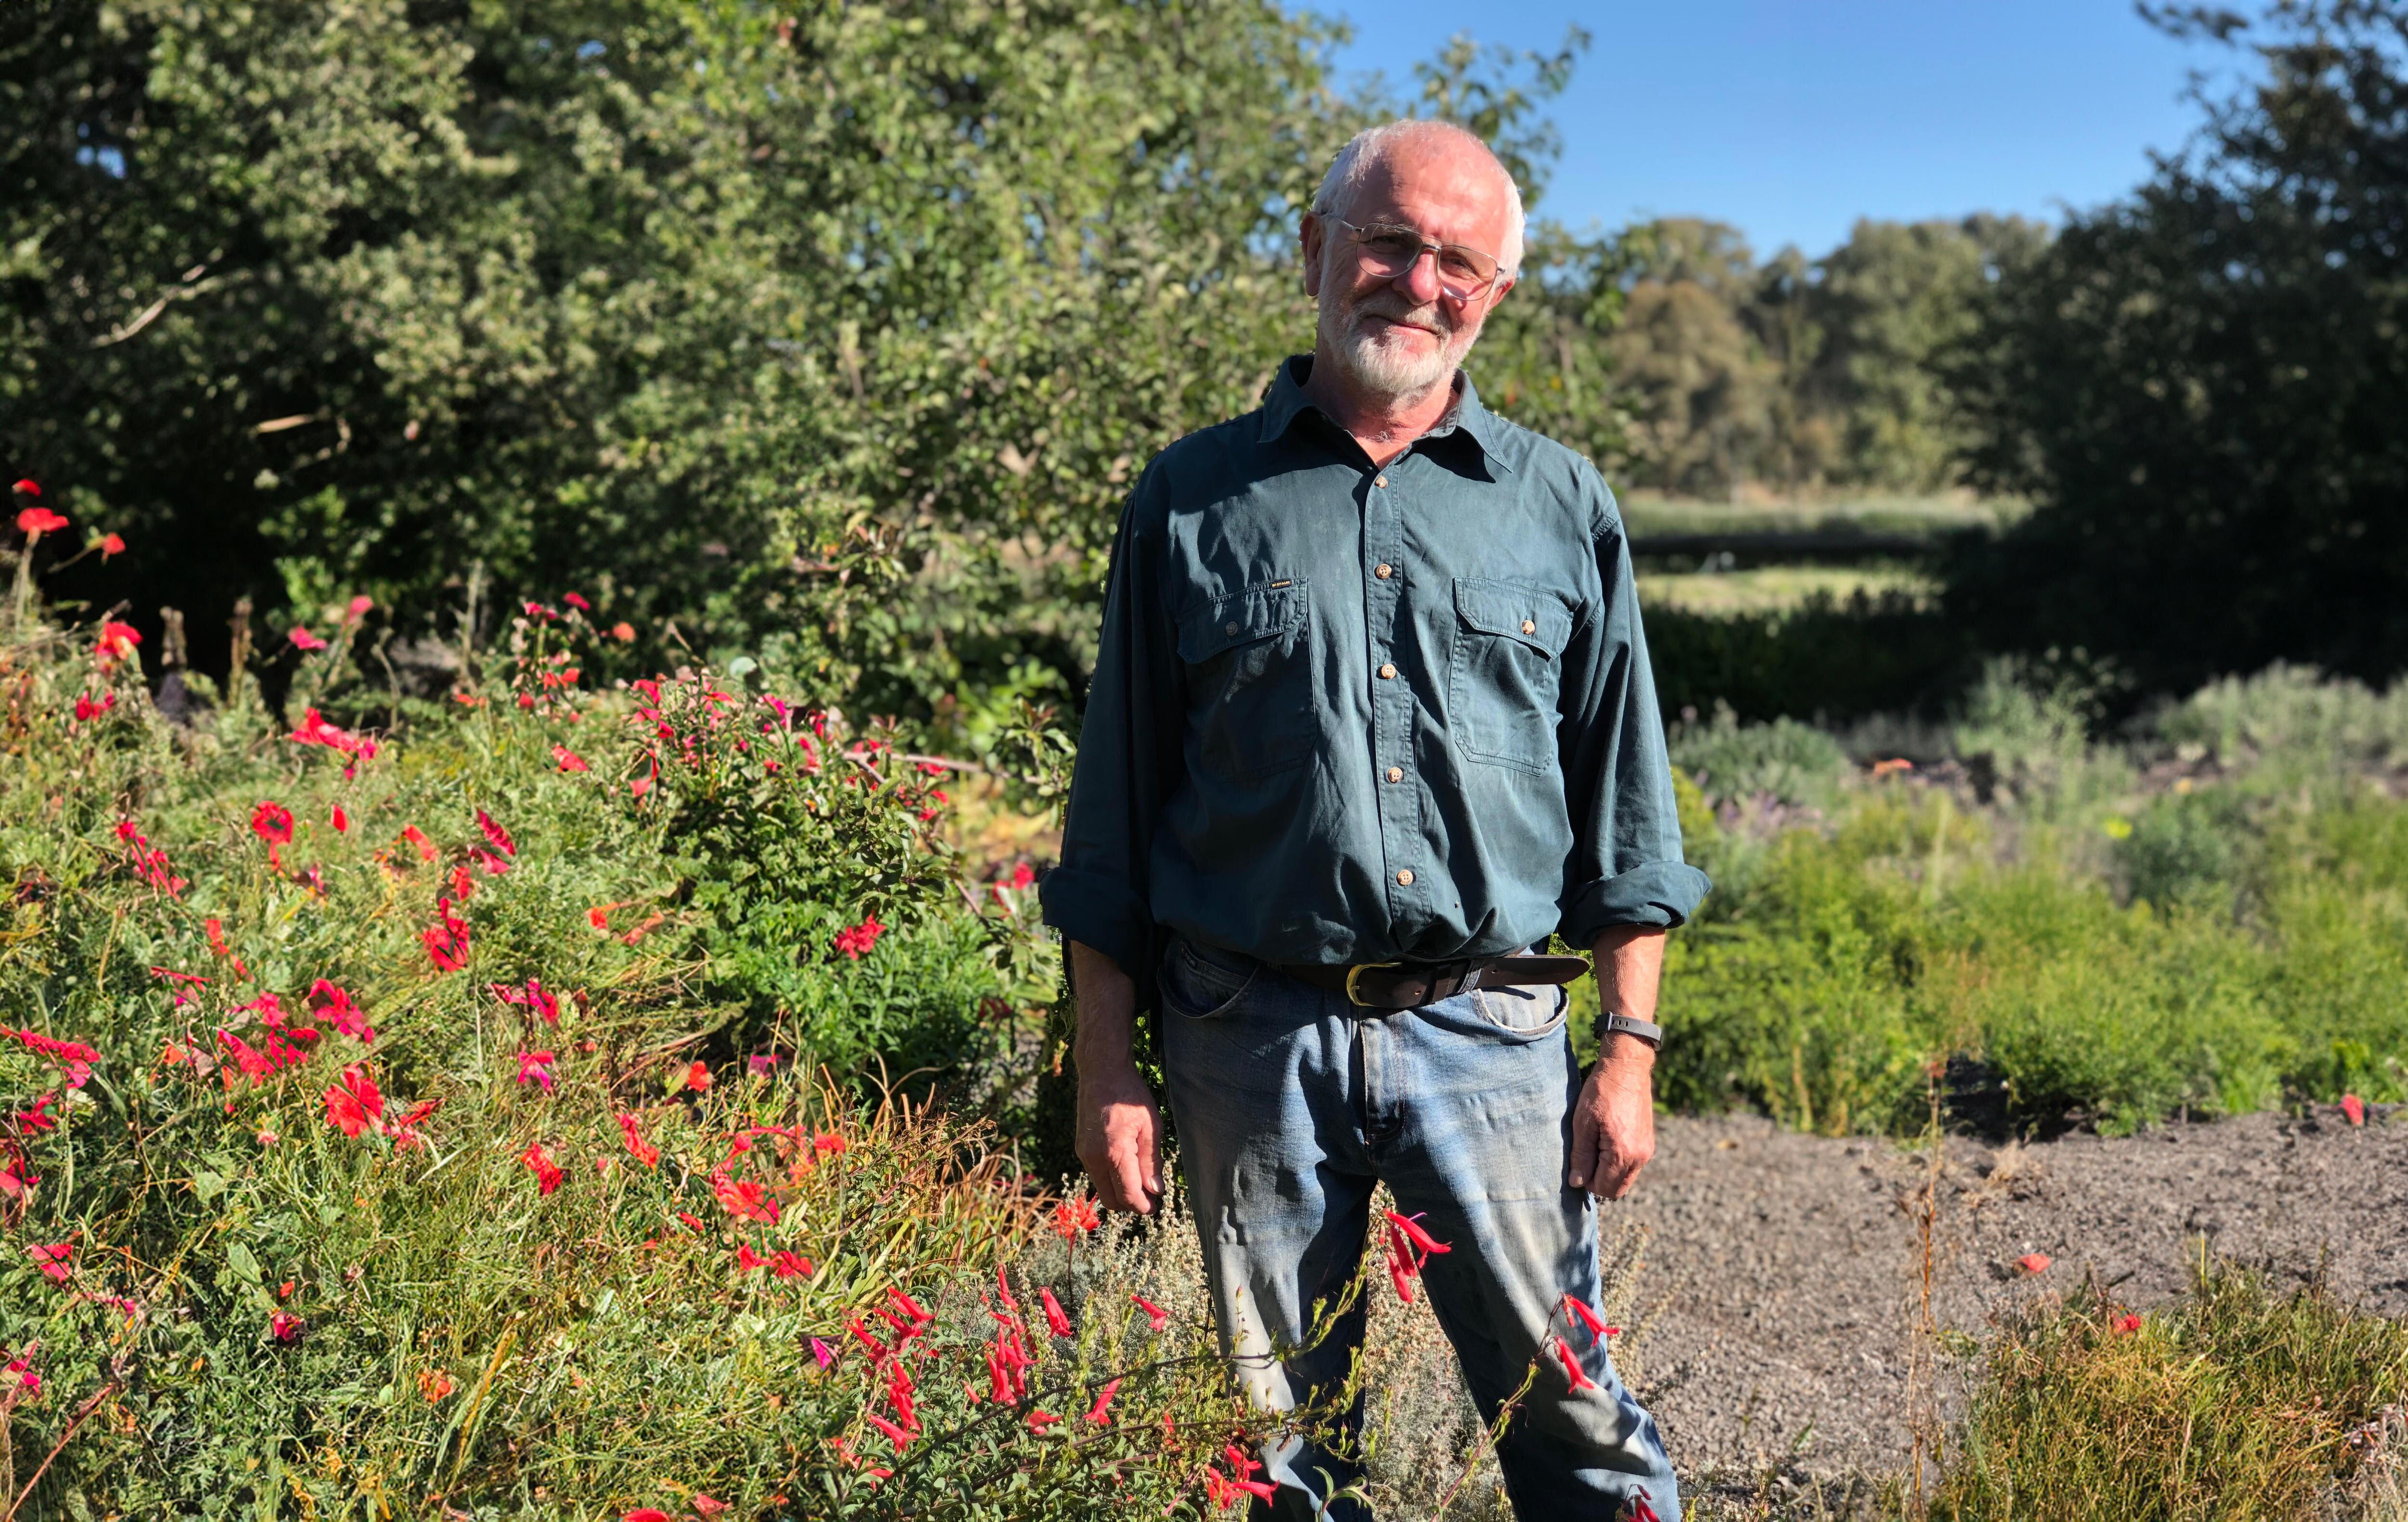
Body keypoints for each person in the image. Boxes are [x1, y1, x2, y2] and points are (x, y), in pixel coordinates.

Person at [1039, 117, 1708, 1522]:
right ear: (1317, 252)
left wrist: (1630, 1050)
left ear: (1495, 295)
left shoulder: (1559, 504)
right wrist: (1108, 1064)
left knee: (1574, 1419)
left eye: (1457, 260)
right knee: (1276, 1451)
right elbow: (1112, 816)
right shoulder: (1192, 499)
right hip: (1249, 1039)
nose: (1417, 281)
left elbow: (1626, 813)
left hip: (1496, 1040)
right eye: (1390, 241)